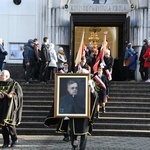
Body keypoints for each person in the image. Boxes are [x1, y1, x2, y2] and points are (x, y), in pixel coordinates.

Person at [0, 70, 23, 148]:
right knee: (3, 125)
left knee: (10, 124)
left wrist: (12, 96)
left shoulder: (14, 84)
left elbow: (18, 96)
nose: (0, 76)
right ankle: (6, 142)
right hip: (1, 107)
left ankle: (14, 139)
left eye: (1, 75)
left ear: (6, 76)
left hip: (10, 107)